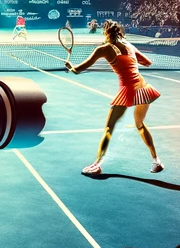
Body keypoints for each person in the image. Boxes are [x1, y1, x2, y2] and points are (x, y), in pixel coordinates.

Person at [66, 19, 163, 175]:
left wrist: (70, 67)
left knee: (109, 128)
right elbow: (148, 62)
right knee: (140, 124)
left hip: (128, 90)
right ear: (119, 32)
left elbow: (79, 70)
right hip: (143, 87)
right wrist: (132, 59)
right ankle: (156, 160)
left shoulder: (103, 49)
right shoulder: (130, 46)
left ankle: (96, 165)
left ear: (105, 33)